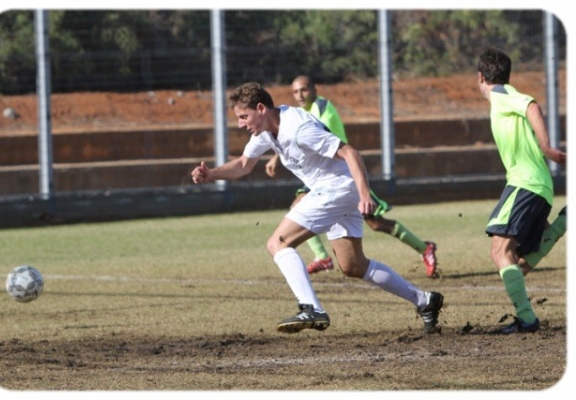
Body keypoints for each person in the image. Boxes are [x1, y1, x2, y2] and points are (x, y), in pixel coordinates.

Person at [191, 82, 444, 334]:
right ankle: (424, 300)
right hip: (337, 191)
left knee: (278, 243)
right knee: (353, 265)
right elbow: (244, 164)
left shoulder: (298, 129)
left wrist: (365, 194)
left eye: (243, 116)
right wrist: (211, 174)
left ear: (261, 109)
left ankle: (311, 308)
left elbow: (351, 153)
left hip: (336, 189)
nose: (240, 124)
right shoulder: (266, 131)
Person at [265, 75, 439, 278]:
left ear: (314, 90)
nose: (300, 95)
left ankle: (424, 248)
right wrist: (277, 157)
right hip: (323, 175)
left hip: (343, 173)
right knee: (298, 205)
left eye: (304, 90)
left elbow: (314, 137)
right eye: (295, 92)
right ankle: (322, 256)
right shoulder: (301, 113)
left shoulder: (321, 107)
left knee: (376, 223)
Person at [477, 47, 566, 334]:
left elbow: (532, 105)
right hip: (538, 186)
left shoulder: (501, 95)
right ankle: (564, 221)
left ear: (480, 77)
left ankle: (527, 320)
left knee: (499, 251)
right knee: (518, 262)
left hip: (525, 183)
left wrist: (546, 147)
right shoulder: (505, 95)